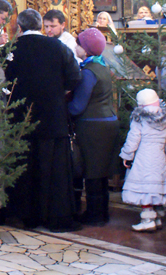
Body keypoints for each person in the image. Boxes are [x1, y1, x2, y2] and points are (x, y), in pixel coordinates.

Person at [4, 9, 82, 231]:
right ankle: (56, 216)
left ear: (19, 27)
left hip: (20, 120)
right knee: (55, 170)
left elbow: (2, 80)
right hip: (52, 118)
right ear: (40, 26)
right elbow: (75, 77)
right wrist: (58, 93)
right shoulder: (58, 47)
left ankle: (26, 216)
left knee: (25, 168)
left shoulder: (11, 49)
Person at [68, 28, 119, 226]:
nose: (76, 48)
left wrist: (61, 107)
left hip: (93, 126)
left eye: (79, 45)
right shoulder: (103, 66)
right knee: (101, 173)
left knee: (92, 172)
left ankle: (94, 216)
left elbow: (78, 106)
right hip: (108, 122)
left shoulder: (89, 72)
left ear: (86, 49)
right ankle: (102, 213)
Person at [119, 89, 166, 232]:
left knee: (145, 189)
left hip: (143, 158)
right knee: (157, 187)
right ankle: (157, 217)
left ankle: (147, 220)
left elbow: (133, 139)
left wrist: (127, 155)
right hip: (160, 156)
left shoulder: (139, 118)